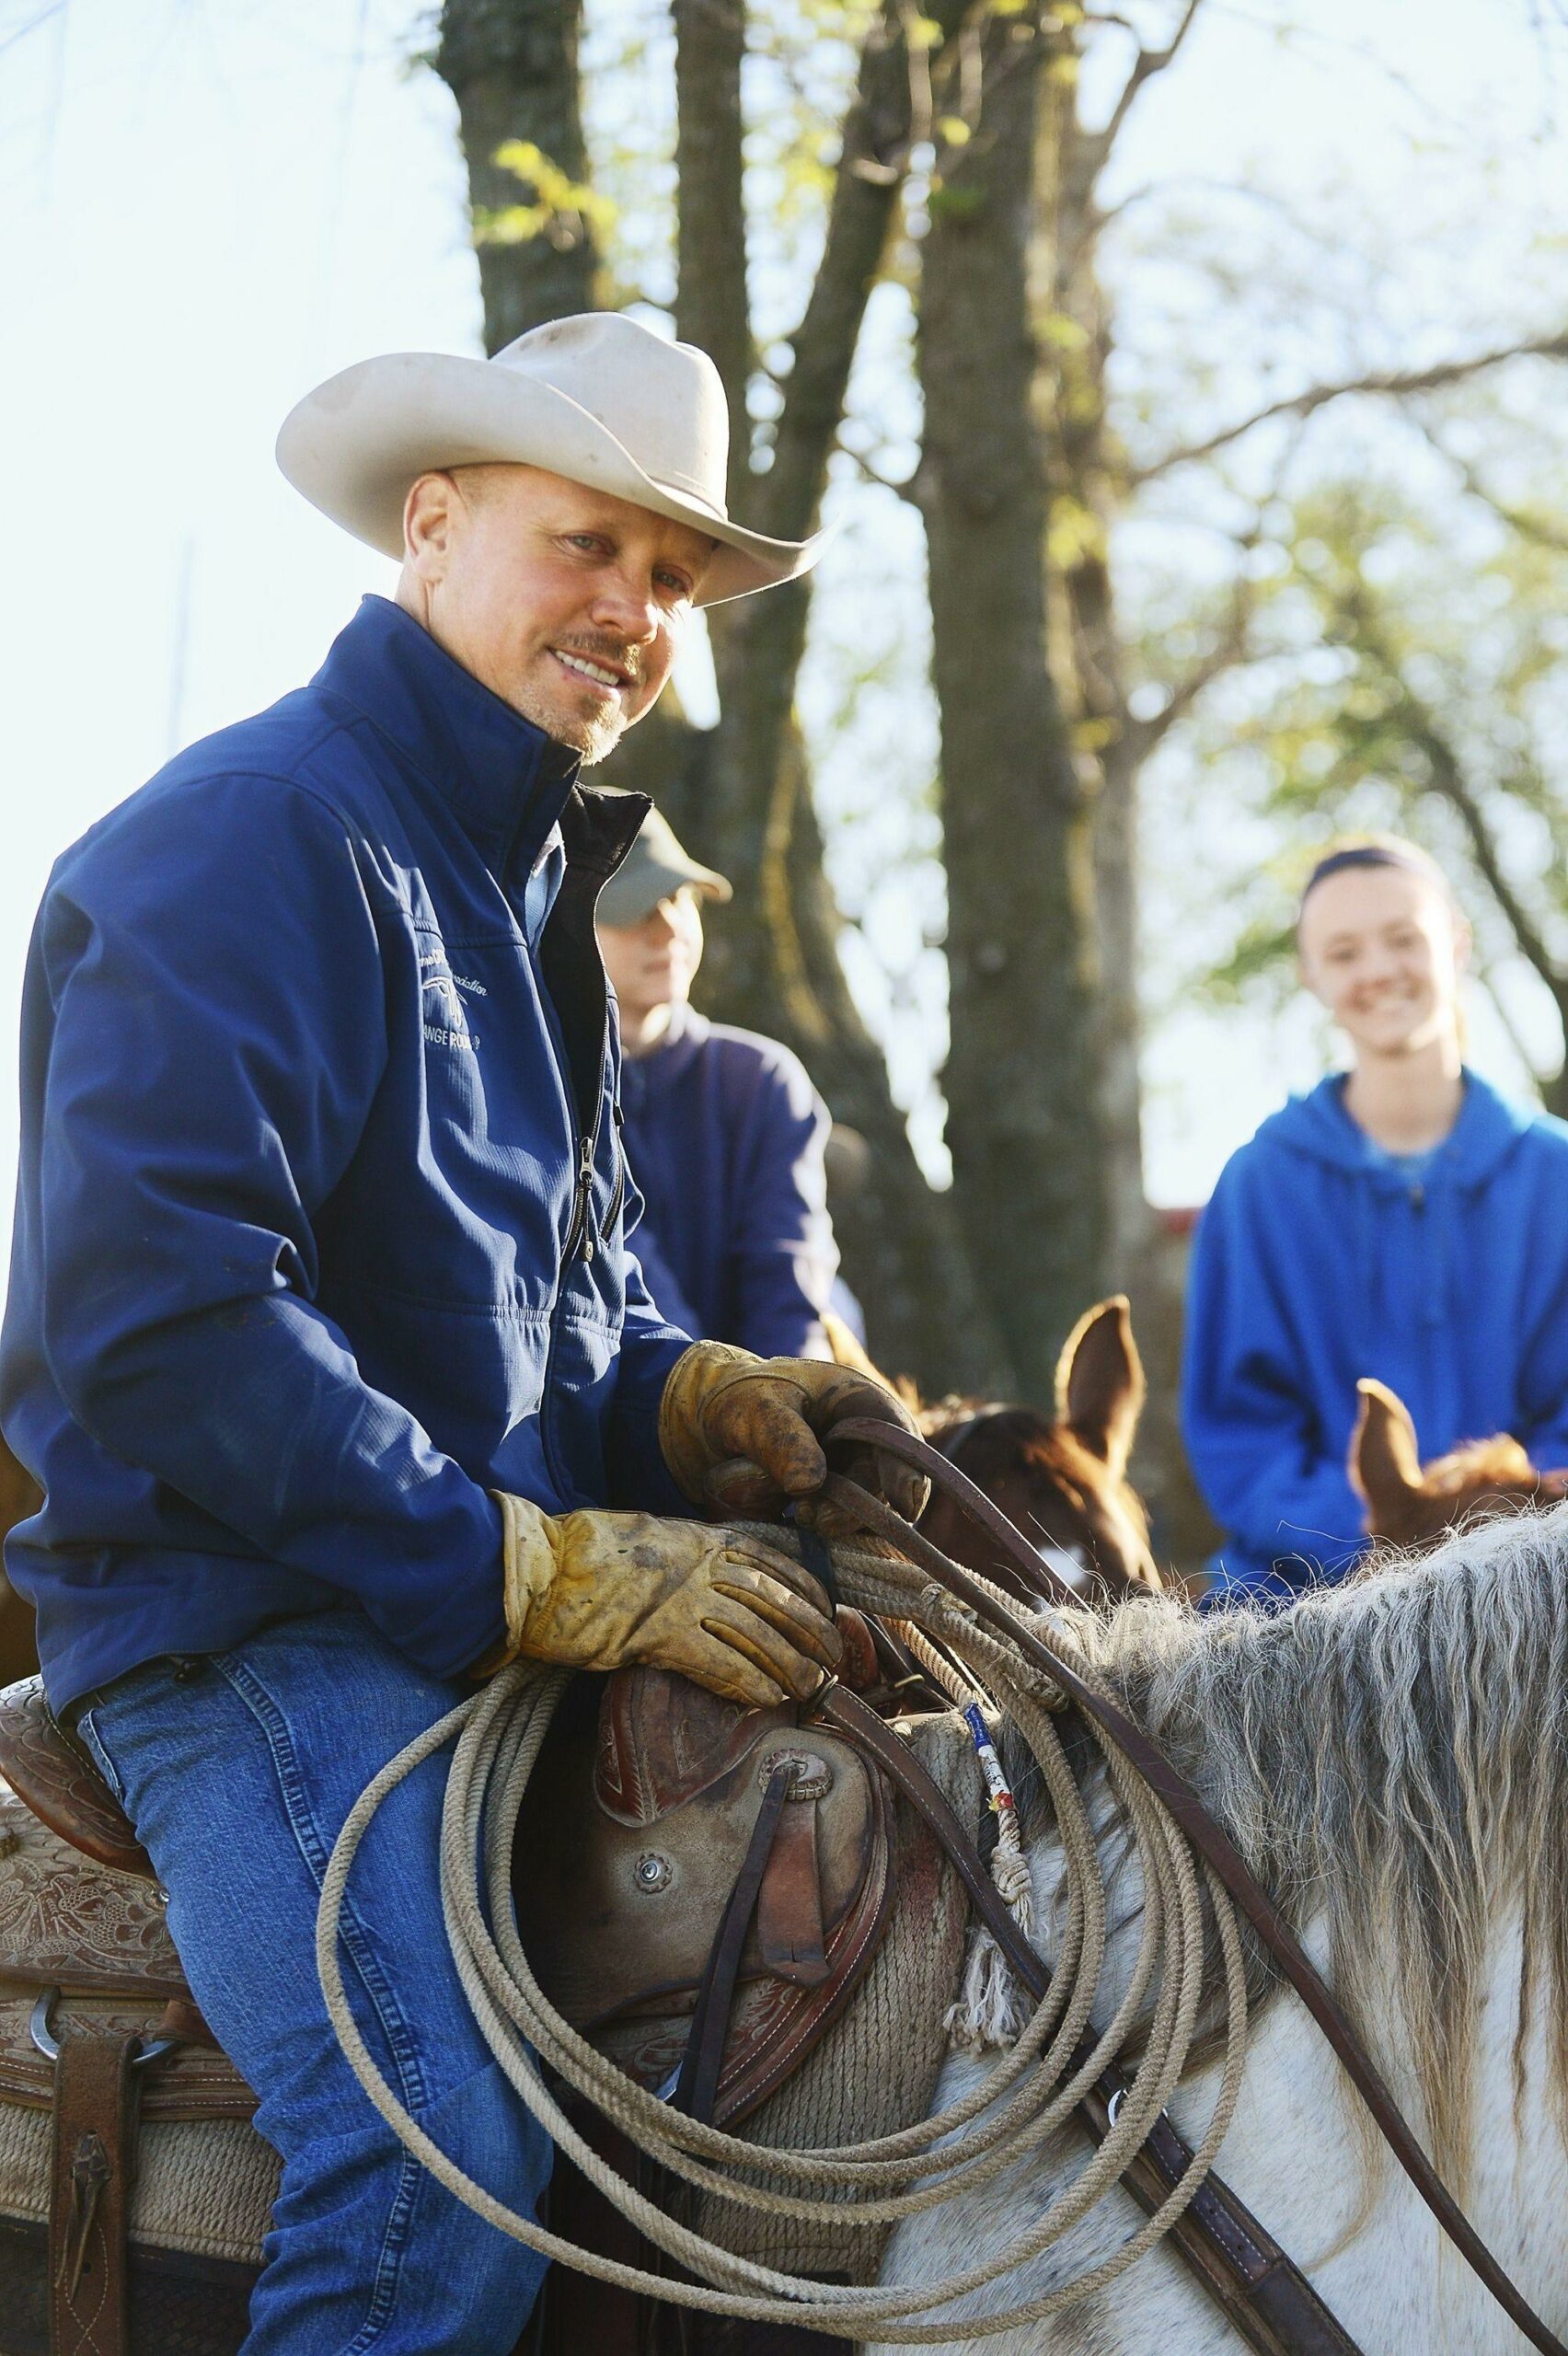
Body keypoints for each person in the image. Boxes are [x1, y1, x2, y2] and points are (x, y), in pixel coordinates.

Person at [0, 312, 923, 2355]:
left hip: (453, 1604)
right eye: (586, 542)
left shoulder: (522, 892)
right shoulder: (238, 837)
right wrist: (528, 1558)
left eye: (670, 579)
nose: (633, 609)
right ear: (433, 527)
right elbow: (159, 1316)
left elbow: (557, 1306)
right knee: (435, 2178)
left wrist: (681, 1398)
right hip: (239, 1626)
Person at [1182, 833, 1568, 1605]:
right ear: (1311, 973)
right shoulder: (1258, 1187)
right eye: (1346, 951)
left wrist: (1498, 1521)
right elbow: (1241, 1439)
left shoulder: (1554, 1175)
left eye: (1404, 939)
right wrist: (1384, 1530)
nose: (1380, 971)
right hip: (1304, 1598)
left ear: (1456, 944)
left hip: (1534, 1578)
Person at [595, 806, 842, 1358]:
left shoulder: (761, 1082)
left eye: (680, 898)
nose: (668, 928)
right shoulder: (544, 1084)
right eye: (634, 906)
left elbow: (790, 1281)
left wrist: (781, 1409)